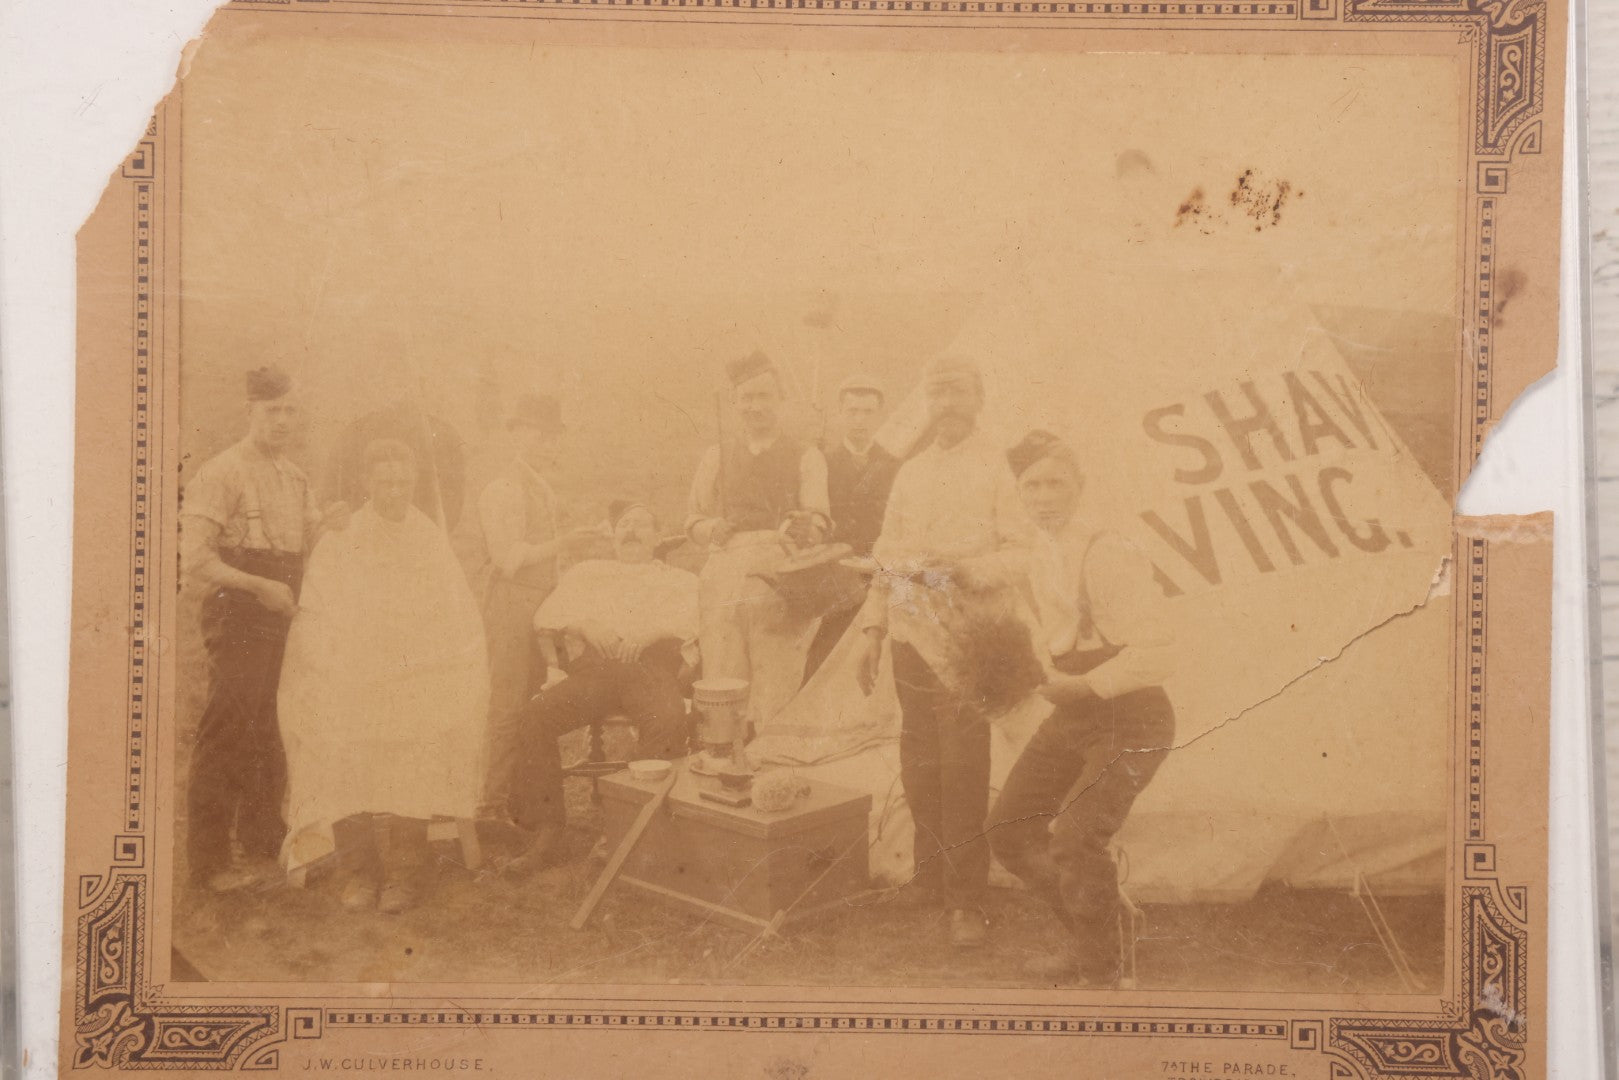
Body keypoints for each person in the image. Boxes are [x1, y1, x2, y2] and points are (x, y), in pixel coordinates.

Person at [854, 354, 1035, 949]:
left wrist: (964, 571)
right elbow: (886, 551)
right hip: (911, 636)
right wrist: (872, 630)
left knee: (962, 769)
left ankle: (968, 900)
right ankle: (929, 880)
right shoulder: (911, 473)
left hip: (968, 641)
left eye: (956, 393)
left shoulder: (1000, 470)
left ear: (979, 398)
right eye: (935, 395)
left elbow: (1022, 553)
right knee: (919, 763)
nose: (945, 406)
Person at [986, 430, 1177, 986]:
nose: (1044, 497)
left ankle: (1103, 973)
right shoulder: (1040, 551)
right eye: (1032, 486)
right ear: (1019, 494)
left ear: (1079, 489)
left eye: (1056, 484)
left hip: (1133, 718)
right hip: (1075, 716)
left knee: (1074, 835)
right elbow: (1058, 638)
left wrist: (1087, 686)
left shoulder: (1109, 553)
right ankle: (1109, 925)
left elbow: (1160, 651)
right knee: (1009, 831)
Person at [277, 439, 489, 913]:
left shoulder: (427, 535)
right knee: (343, 745)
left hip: (412, 673)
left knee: (415, 750)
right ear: (367, 483)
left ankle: (406, 872)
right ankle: (359, 868)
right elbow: (319, 609)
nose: (394, 491)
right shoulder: (343, 534)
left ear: (413, 484)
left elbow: (453, 611)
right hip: (351, 672)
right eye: (384, 482)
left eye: (402, 482)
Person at [180, 365, 349, 892]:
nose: (282, 421)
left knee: (274, 724)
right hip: (238, 611)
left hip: (282, 609)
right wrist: (257, 586)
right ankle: (207, 864)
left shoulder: (294, 477)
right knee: (227, 728)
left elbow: (301, 545)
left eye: (290, 411)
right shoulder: (220, 472)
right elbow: (194, 560)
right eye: (271, 411)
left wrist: (329, 525)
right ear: (249, 411)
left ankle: (260, 836)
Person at [503, 501, 698, 871]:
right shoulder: (589, 572)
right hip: (596, 671)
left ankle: (626, 825)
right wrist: (585, 625)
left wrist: (652, 632)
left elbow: (695, 621)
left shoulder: (677, 580)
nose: (631, 531)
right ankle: (547, 829)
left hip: (648, 667)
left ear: (658, 538)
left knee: (670, 720)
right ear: (613, 537)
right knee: (535, 716)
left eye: (642, 525)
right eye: (624, 524)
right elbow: (548, 617)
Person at [685, 351, 831, 731]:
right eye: (746, 398)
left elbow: (819, 519)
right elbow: (693, 520)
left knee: (776, 676)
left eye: (764, 396)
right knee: (723, 676)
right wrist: (710, 528)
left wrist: (807, 526)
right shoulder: (716, 456)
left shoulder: (807, 456)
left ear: (780, 400)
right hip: (724, 576)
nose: (755, 407)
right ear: (735, 403)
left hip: (778, 571)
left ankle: (770, 766)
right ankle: (721, 760)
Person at [474, 393, 598, 825]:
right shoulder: (502, 488)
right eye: (539, 435)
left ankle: (518, 801)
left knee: (531, 704)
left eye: (553, 437)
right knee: (506, 704)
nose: (548, 445)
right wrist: (566, 544)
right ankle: (489, 805)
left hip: (538, 605)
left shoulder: (539, 486)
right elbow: (507, 557)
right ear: (515, 434)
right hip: (510, 606)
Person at [801, 375, 899, 682]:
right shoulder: (822, 463)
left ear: (879, 415)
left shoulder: (894, 465)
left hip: (878, 571)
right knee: (825, 657)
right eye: (852, 411)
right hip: (837, 576)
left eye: (868, 412)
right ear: (840, 414)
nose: (860, 420)